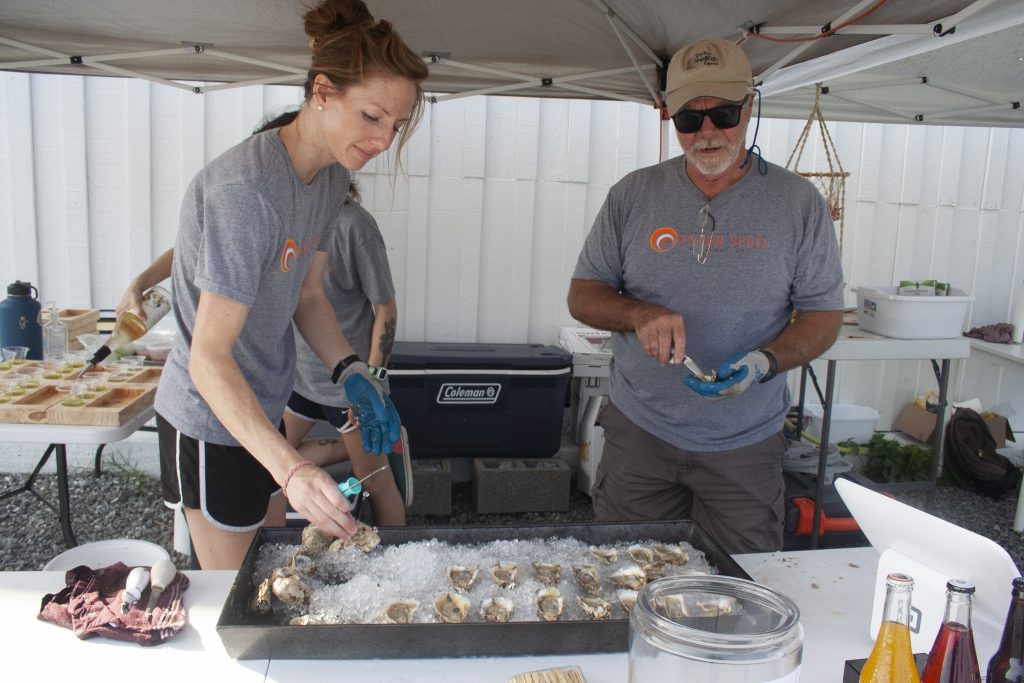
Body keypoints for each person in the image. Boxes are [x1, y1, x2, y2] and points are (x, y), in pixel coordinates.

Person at [150, 0, 428, 569]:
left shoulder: (329, 178)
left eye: (395, 126)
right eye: (372, 116)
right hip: (212, 416)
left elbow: (307, 293)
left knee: (277, 568)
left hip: (264, 404)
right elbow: (208, 358)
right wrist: (295, 468)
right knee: (236, 592)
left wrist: (351, 369)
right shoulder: (246, 192)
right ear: (323, 91)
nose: (382, 140)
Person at [566, 38, 844, 554]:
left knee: (741, 586)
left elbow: (824, 315)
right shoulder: (633, 195)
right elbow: (583, 295)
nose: (708, 132)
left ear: (750, 108)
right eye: (690, 120)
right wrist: (638, 313)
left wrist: (766, 361)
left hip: (744, 441)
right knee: (625, 573)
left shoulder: (797, 203)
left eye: (724, 113)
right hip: (641, 431)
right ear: (670, 117)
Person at [117, 185, 410, 527]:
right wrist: (140, 282)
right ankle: (345, 448)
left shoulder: (353, 225)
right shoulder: (271, 218)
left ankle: (396, 555)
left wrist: (373, 380)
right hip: (295, 379)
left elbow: (385, 308)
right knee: (272, 463)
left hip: (346, 384)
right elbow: (197, 248)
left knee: (374, 479)